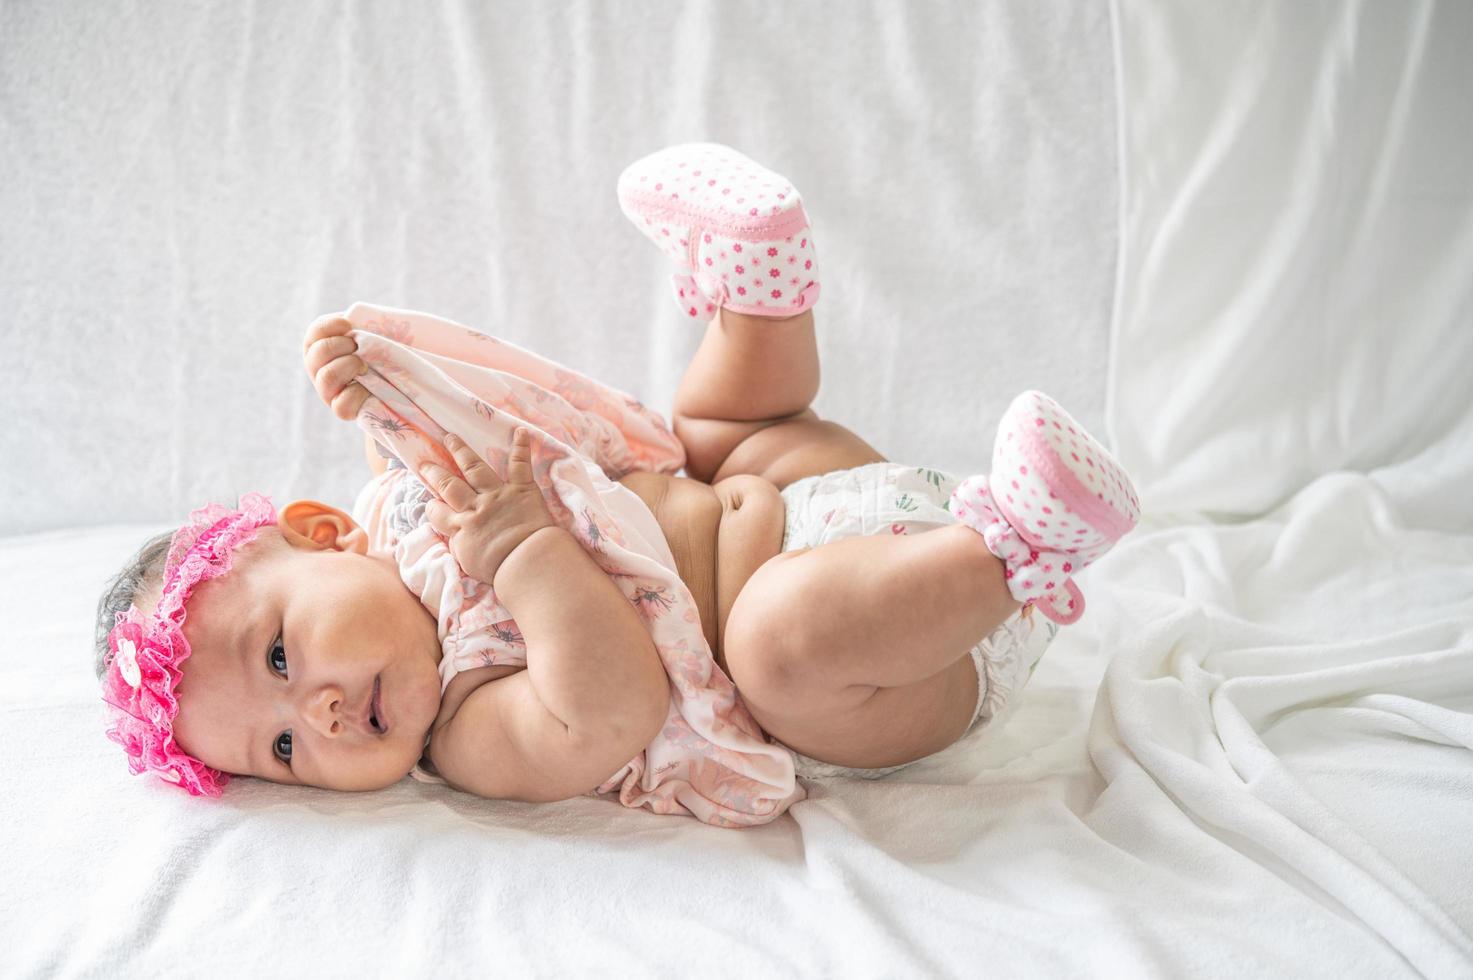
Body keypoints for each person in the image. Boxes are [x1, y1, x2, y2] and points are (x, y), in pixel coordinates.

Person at [95, 143, 1139, 822]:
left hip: (795, 491)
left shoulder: (402, 510)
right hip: (895, 664)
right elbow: (612, 710)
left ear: (327, 532)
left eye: (279, 651)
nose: (316, 709)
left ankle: (758, 291)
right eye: (280, 747)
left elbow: (453, 424)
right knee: (779, 643)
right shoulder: (464, 728)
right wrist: (525, 552)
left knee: (721, 432)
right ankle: (1020, 540)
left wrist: (377, 380)